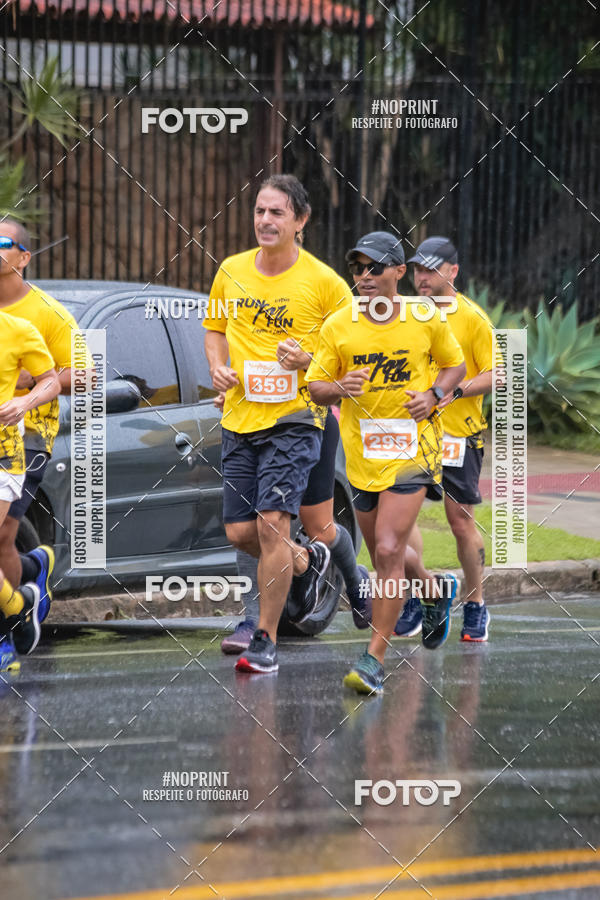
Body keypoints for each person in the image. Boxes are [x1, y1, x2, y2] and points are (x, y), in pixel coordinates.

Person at [204, 174, 357, 674]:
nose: (265, 221)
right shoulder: (230, 271)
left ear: (301, 221)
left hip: (297, 419)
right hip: (240, 417)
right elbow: (215, 330)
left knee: (273, 526)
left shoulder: (326, 284)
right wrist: (217, 369)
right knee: (238, 531)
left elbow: (351, 354)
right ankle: (308, 561)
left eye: (276, 213)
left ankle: (265, 641)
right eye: (259, 211)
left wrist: (308, 359)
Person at [306, 231, 466, 694]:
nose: (365, 276)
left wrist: (434, 395)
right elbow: (315, 386)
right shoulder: (339, 324)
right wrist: (340, 387)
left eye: (375, 267)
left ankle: (374, 659)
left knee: (391, 550)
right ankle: (434, 591)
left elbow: (454, 367)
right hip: (362, 458)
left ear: (400, 271)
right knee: (381, 552)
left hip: (413, 451)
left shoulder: (423, 318)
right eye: (357, 268)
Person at [394, 236, 497, 642]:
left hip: (458, 436)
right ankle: (420, 596)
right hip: (415, 434)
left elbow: (496, 373)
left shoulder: (472, 317)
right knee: (403, 521)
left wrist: (451, 392)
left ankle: (476, 604)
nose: (422, 277)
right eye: (418, 270)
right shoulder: (404, 313)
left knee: (459, 522)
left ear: (453, 272)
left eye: (431, 270)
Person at [0, 221, 92, 651]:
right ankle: (32, 574)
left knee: (3, 534)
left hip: (29, 435)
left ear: (23, 257)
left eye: (3, 244)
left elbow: (87, 373)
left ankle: (8, 630)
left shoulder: (48, 314)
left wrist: (25, 379)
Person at [220, 404, 372, 654]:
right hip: (250, 425)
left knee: (320, 529)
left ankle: (355, 580)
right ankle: (256, 618)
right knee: (251, 525)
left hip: (306, 423)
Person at [0, 309, 61, 670]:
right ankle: (17, 607)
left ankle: (4, 639)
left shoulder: (19, 330)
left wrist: (23, 402)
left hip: (6, 454)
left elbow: (51, 380)